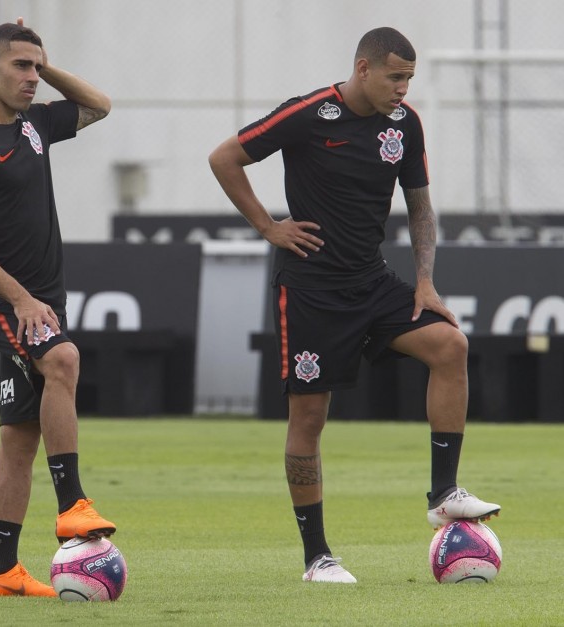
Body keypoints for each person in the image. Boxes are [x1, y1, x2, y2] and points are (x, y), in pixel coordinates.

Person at [208, 27, 500, 583]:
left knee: (449, 344)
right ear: (363, 68)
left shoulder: (405, 124)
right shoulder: (309, 113)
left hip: (372, 283)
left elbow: (420, 209)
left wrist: (425, 283)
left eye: (410, 79)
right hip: (311, 291)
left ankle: (443, 492)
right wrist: (267, 225)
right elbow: (225, 157)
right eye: (395, 76)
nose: (403, 88)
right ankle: (316, 556)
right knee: (310, 417)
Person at [0, 18, 115, 597]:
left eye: (37, 68)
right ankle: (72, 506)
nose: (32, 78)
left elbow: (100, 105)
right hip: (2, 304)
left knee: (19, 435)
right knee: (63, 361)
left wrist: (44, 60)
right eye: (20, 66)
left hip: (43, 301)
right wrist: (19, 298)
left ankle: (1, 571)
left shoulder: (35, 124)